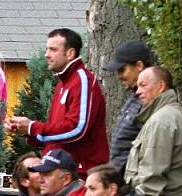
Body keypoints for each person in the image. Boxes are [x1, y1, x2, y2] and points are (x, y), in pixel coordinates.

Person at [6, 28, 108, 180]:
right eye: (47, 49)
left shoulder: (82, 80)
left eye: (53, 50)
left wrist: (33, 127)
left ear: (70, 53)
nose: (47, 54)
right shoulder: (63, 82)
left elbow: (77, 129)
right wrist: (26, 131)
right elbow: (58, 134)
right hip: (61, 173)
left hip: (81, 175)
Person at [125, 67, 182, 196]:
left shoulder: (161, 121)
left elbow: (151, 179)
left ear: (160, 86)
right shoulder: (173, 114)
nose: (138, 91)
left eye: (143, 85)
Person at [104, 41, 153, 172]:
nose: (118, 75)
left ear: (139, 65)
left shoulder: (151, 101)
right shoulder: (135, 97)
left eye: (122, 69)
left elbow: (151, 153)